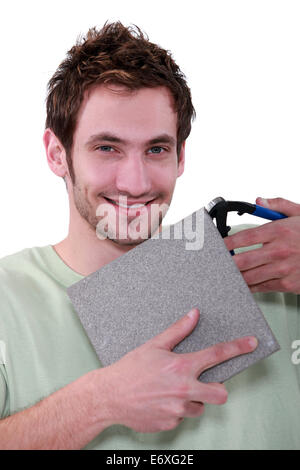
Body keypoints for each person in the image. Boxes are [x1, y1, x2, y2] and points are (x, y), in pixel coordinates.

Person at [0, 21, 299, 450]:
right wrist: (98, 403)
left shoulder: (269, 262)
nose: (136, 182)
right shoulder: (6, 298)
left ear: (180, 157)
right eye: (107, 148)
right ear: (56, 154)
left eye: (156, 149)